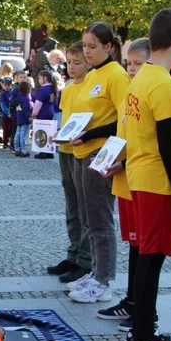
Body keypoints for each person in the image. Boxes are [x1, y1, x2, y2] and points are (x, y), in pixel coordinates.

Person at [124, 9, 171, 341]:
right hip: (157, 183)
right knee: (152, 259)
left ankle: (142, 330)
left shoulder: (144, 76)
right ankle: (142, 337)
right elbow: (168, 146)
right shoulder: (163, 83)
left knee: (148, 258)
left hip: (142, 177)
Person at [64, 22, 128, 304]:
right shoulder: (93, 76)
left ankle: (104, 280)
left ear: (108, 47)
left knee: (101, 219)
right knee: (89, 217)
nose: (87, 52)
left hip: (101, 152)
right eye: (85, 45)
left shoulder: (116, 75)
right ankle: (95, 272)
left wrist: (91, 134)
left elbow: (124, 120)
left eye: (92, 46)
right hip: (82, 152)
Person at [96, 39, 150, 330]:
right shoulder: (130, 93)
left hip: (141, 180)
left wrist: (124, 163)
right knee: (134, 245)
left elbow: (150, 144)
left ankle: (140, 308)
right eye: (129, 63)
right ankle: (131, 301)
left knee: (144, 249)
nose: (131, 69)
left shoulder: (152, 92)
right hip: (125, 179)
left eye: (138, 64)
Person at [46, 43, 93, 286]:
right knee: (71, 207)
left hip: (82, 151)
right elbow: (66, 119)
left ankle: (86, 260)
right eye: (70, 63)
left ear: (89, 63)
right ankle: (73, 253)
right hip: (65, 149)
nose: (72, 67)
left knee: (85, 209)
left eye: (78, 62)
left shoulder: (92, 87)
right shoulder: (69, 89)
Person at [31, 69, 57, 159]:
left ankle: (43, 151)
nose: (38, 80)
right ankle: (49, 151)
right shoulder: (52, 88)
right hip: (50, 111)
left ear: (45, 78)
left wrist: (34, 113)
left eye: (39, 78)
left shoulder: (43, 89)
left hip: (43, 112)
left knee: (42, 131)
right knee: (49, 131)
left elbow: (38, 103)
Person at [11, 81, 32, 157]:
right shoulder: (25, 99)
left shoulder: (17, 98)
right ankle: (23, 150)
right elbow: (26, 109)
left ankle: (16, 149)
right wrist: (29, 117)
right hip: (24, 118)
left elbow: (13, 104)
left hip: (18, 117)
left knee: (17, 134)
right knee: (22, 135)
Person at [0, 77, 14, 150]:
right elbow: (2, 105)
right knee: (6, 129)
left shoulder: (12, 93)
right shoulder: (2, 94)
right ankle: (5, 142)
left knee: (12, 129)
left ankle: (11, 142)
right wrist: (8, 112)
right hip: (6, 115)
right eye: (5, 85)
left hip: (13, 115)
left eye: (8, 85)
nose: (7, 87)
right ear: (2, 85)